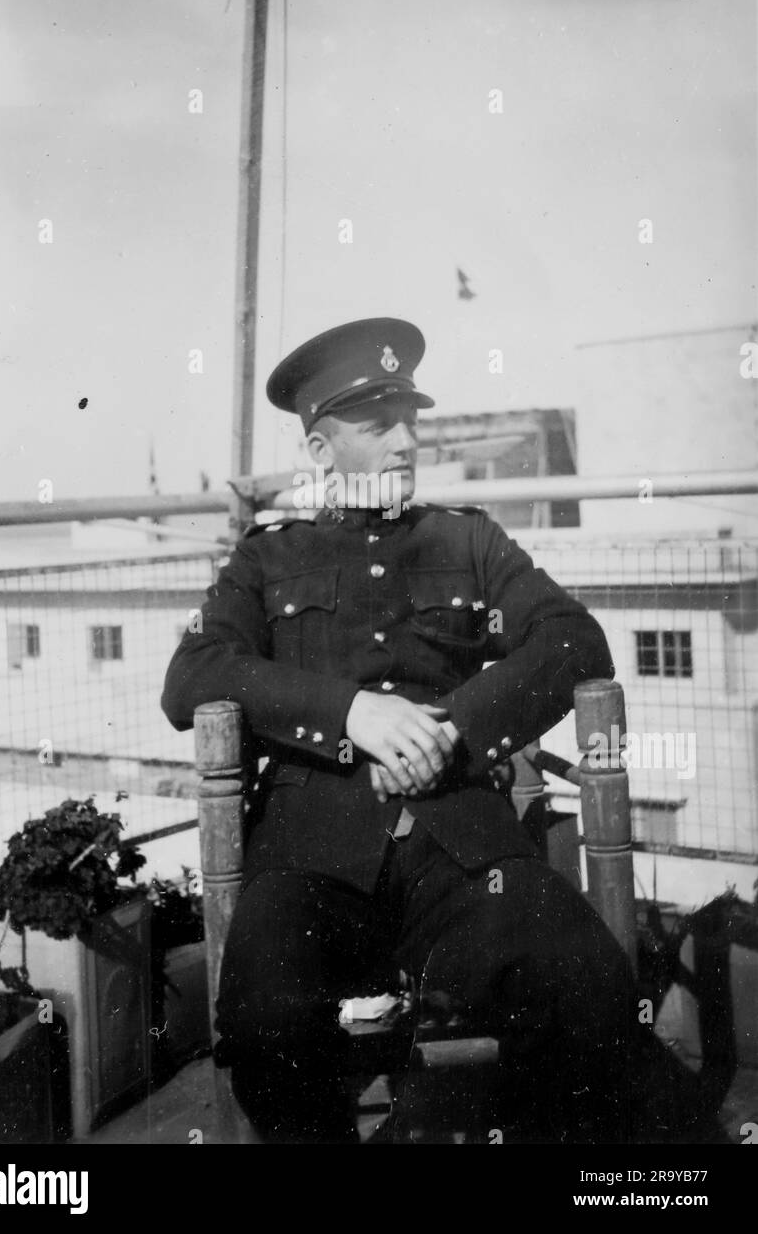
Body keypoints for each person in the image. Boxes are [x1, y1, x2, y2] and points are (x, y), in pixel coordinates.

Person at [161, 317, 701, 1145]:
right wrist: (349, 712)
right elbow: (191, 677)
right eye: (378, 426)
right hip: (311, 856)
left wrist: (457, 726)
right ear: (318, 450)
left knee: (583, 977)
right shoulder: (266, 559)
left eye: (410, 421)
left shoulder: (467, 539)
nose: (407, 441)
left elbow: (570, 638)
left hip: (460, 846)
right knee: (265, 1017)